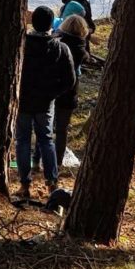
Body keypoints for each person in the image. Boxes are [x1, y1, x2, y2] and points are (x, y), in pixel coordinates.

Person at [18, 5, 75, 200]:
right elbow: (70, 80)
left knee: (23, 141)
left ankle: (24, 185)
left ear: (33, 23)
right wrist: (52, 94)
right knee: (46, 140)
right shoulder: (60, 47)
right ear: (52, 24)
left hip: (23, 101)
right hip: (45, 103)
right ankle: (52, 183)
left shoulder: (22, 44)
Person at [54, 13, 89, 162]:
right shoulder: (82, 49)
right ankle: (58, 159)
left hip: (53, 87)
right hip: (70, 90)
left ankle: (40, 158)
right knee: (62, 129)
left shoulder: (56, 43)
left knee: (46, 126)